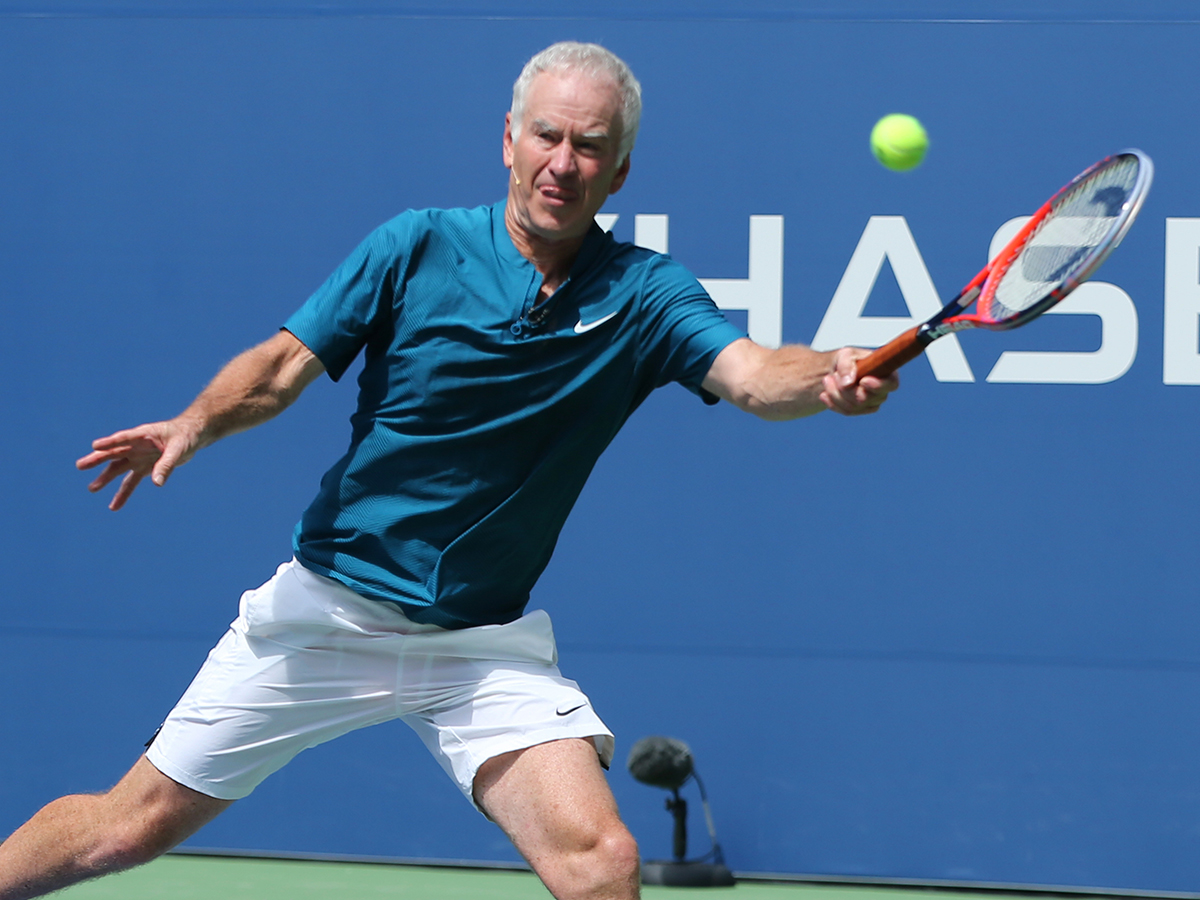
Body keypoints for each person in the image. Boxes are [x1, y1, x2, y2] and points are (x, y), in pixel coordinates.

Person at [0, 41, 896, 900]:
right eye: (546, 135)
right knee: (127, 829)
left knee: (601, 860)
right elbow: (279, 369)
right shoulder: (417, 246)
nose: (563, 162)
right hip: (329, 610)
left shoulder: (646, 294)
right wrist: (192, 424)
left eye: (590, 146)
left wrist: (830, 372)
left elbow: (754, 376)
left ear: (619, 171)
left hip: (479, 644)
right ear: (509, 140)